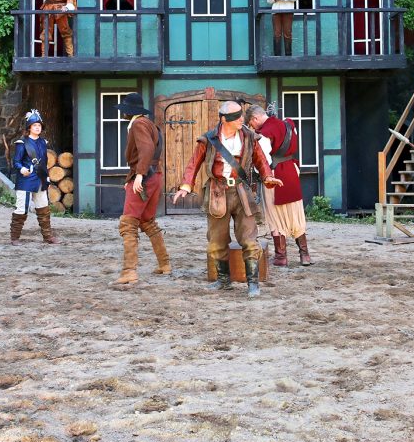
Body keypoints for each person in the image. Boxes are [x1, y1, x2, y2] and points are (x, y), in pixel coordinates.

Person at [172, 101, 283, 297]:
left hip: (242, 192)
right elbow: (194, 163)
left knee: (249, 238)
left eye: (241, 115)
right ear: (224, 119)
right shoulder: (209, 139)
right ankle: (223, 281)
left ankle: (253, 283)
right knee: (217, 240)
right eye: (236, 117)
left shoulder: (249, 136)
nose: (241, 119)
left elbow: (260, 159)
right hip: (217, 192)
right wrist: (186, 186)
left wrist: (267, 177)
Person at [112, 93, 170, 286]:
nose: (123, 113)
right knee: (147, 221)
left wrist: (139, 175)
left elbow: (146, 149)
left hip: (145, 177)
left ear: (130, 111)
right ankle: (164, 264)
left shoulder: (138, 124)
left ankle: (129, 272)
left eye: (124, 109)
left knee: (128, 223)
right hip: (154, 176)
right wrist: (132, 177)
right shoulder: (148, 123)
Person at [245, 104, 312, 266]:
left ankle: (281, 257)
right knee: (296, 213)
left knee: (274, 214)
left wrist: (259, 174)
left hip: (274, 175)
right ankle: (305, 255)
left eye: (251, 123)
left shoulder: (264, 134)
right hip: (291, 171)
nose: (252, 127)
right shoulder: (288, 124)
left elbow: (262, 160)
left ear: (255, 118)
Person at [9, 110, 60, 245]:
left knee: (43, 209)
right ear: (29, 127)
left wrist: (47, 177)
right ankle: (15, 238)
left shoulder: (43, 142)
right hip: (25, 180)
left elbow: (44, 163)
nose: (37, 127)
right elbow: (16, 161)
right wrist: (21, 169)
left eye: (39, 125)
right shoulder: (22, 143)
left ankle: (48, 236)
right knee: (22, 209)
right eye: (34, 125)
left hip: (40, 179)